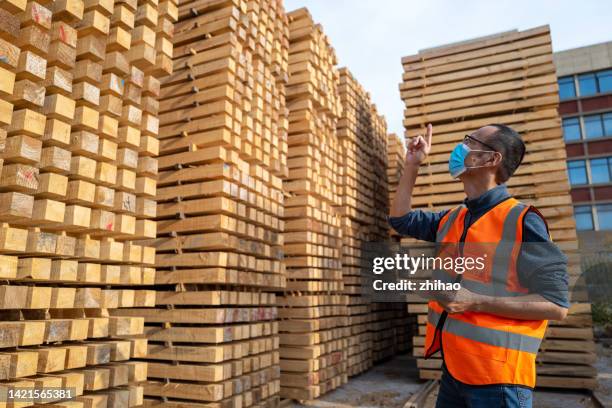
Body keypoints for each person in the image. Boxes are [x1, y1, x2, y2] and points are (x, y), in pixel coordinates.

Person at [389, 124, 569, 408]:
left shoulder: (523, 220)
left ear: (490, 159)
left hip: (499, 382)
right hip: (454, 372)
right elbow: (400, 220)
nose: (458, 148)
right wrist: (412, 164)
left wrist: (475, 301)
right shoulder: (453, 218)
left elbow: (557, 305)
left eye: (469, 141)